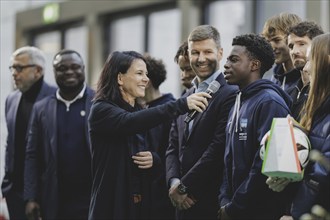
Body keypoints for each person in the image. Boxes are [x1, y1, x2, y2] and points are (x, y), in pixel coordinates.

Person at [87, 50, 211, 220]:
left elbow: (154, 156)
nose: (146, 79)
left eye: (146, 73)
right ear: (120, 78)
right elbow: (129, 122)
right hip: (112, 208)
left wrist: (154, 160)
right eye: (139, 73)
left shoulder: (139, 111)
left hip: (142, 207)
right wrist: (181, 105)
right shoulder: (101, 109)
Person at [166, 25, 238, 220]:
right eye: (195, 52)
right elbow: (173, 146)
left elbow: (218, 147)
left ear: (220, 53)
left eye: (207, 51)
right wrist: (174, 183)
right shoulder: (186, 95)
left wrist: (184, 186)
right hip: (180, 202)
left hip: (209, 202)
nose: (201, 58)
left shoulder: (230, 93)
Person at [218, 34, 292, 220]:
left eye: (234, 60)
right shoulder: (238, 100)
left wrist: (235, 206)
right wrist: (224, 200)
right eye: (227, 59)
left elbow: (263, 166)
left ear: (254, 65)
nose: (226, 64)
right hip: (234, 208)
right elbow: (228, 158)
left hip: (260, 211)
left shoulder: (270, 102)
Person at [24, 49, 94, 220]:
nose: (69, 72)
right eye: (62, 68)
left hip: (92, 197)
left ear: (83, 69)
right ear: (54, 72)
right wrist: (31, 197)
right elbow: (32, 155)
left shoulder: (99, 102)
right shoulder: (41, 108)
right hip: (55, 199)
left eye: (75, 67)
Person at [267, 33, 330, 220]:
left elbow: (322, 173)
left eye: (312, 60)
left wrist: (295, 213)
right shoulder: (316, 107)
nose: (307, 67)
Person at [1, 46, 56, 220]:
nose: (14, 73)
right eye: (12, 68)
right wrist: (6, 184)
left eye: (19, 68)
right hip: (14, 192)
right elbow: (11, 143)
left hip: (45, 193)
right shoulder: (11, 99)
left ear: (38, 71)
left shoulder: (55, 98)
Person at [139, 54, 176, 219]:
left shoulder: (169, 108)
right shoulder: (137, 109)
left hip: (161, 197)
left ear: (148, 81)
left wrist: (156, 159)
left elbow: (175, 150)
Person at [286, 21, 324, 120]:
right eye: (291, 46)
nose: (294, 51)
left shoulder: (324, 92)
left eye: (301, 44)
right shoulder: (288, 93)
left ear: (316, 47)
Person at [262, 12, 302, 91]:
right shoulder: (271, 81)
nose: (271, 47)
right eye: (267, 42)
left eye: (277, 40)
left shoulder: (308, 80)